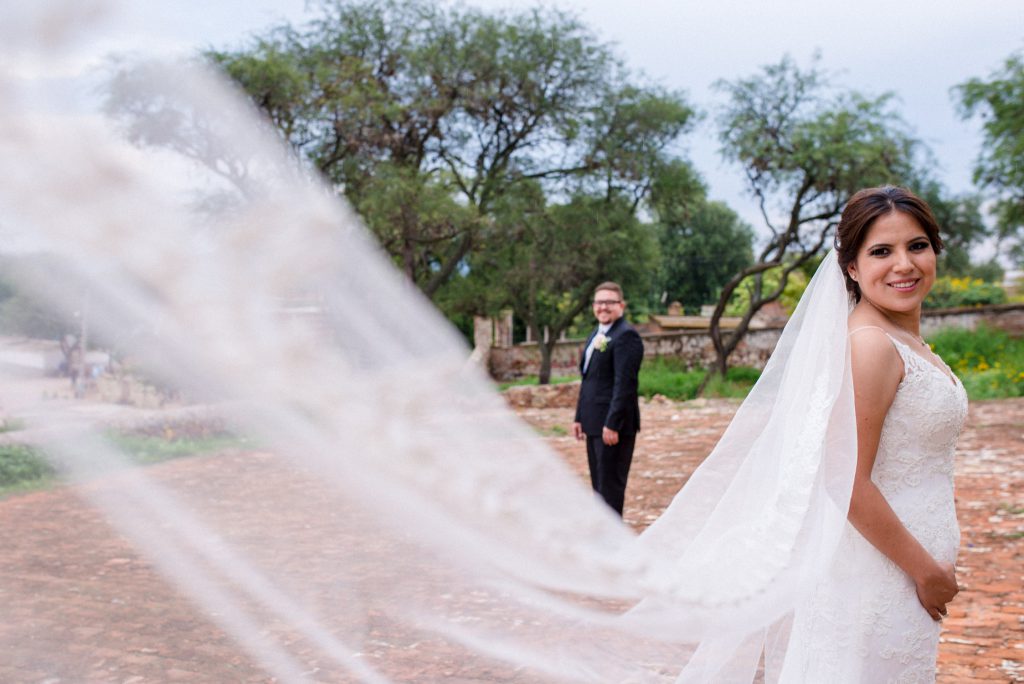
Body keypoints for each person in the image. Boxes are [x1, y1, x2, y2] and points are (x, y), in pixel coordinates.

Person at [774, 185, 967, 681]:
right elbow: (845, 480)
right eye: (881, 251)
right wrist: (925, 571)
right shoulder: (871, 345)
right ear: (853, 268)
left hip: (904, 575)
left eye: (917, 245)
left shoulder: (903, 338)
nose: (903, 264)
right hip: (882, 575)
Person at [572, 281, 644, 517]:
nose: (603, 307)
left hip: (612, 427)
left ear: (621, 305)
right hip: (593, 422)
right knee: (599, 488)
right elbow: (589, 379)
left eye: (609, 302)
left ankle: (615, 546)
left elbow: (625, 385)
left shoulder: (626, 336)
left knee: (610, 489)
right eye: (598, 302)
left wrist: (613, 423)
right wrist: (579, 417)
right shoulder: (598, 333)